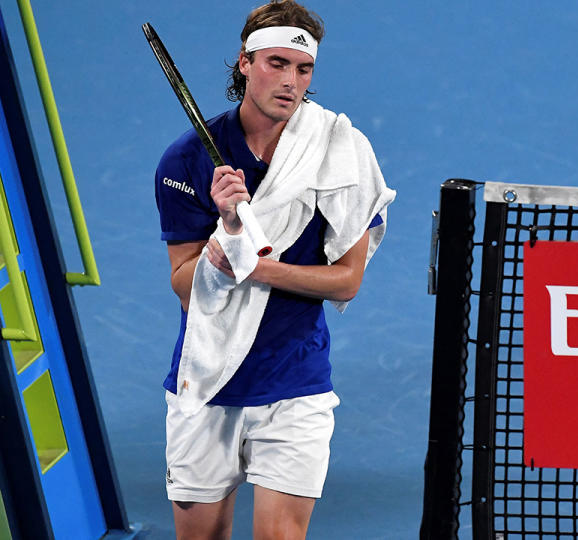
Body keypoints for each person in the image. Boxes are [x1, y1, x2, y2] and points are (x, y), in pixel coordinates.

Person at [153, 1, 394, 538]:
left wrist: (258, 268)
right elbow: (188, 291)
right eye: (276, 64)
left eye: (303, 69)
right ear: (244, 63)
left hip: (295, 382)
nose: (290, 82)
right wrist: (224, 237)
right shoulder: (186, 161)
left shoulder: (339, 150)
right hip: (206, 380)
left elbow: (347, 281)